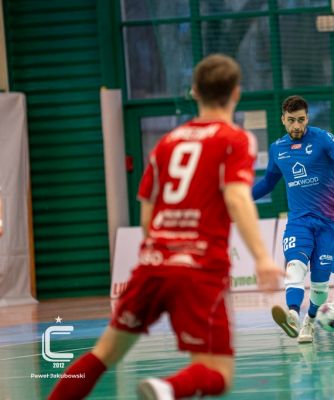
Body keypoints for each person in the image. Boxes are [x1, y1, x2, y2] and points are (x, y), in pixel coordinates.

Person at [48, 54, 282, 400]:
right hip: (199, 269)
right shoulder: (235, 138)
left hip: (152, 265)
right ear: (236, 92)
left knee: (103, 354)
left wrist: (163, 252)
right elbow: (237, 197)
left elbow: (147, 216)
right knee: (218, 374)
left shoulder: (167, 143)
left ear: (195, 91)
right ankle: (166, 388)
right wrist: (262, 258)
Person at [252, 95, 334, 344]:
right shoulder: (277, 149)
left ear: (307, 118)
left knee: (320, 285)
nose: (296, 125)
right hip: (299, 221)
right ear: (283, 120)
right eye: (291, 120)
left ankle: (310, 322)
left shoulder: (322, 138)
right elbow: (268, 182)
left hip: (329, 222)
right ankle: (292, 315)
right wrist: (240, 199)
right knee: (295, 266)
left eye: (301, 120)